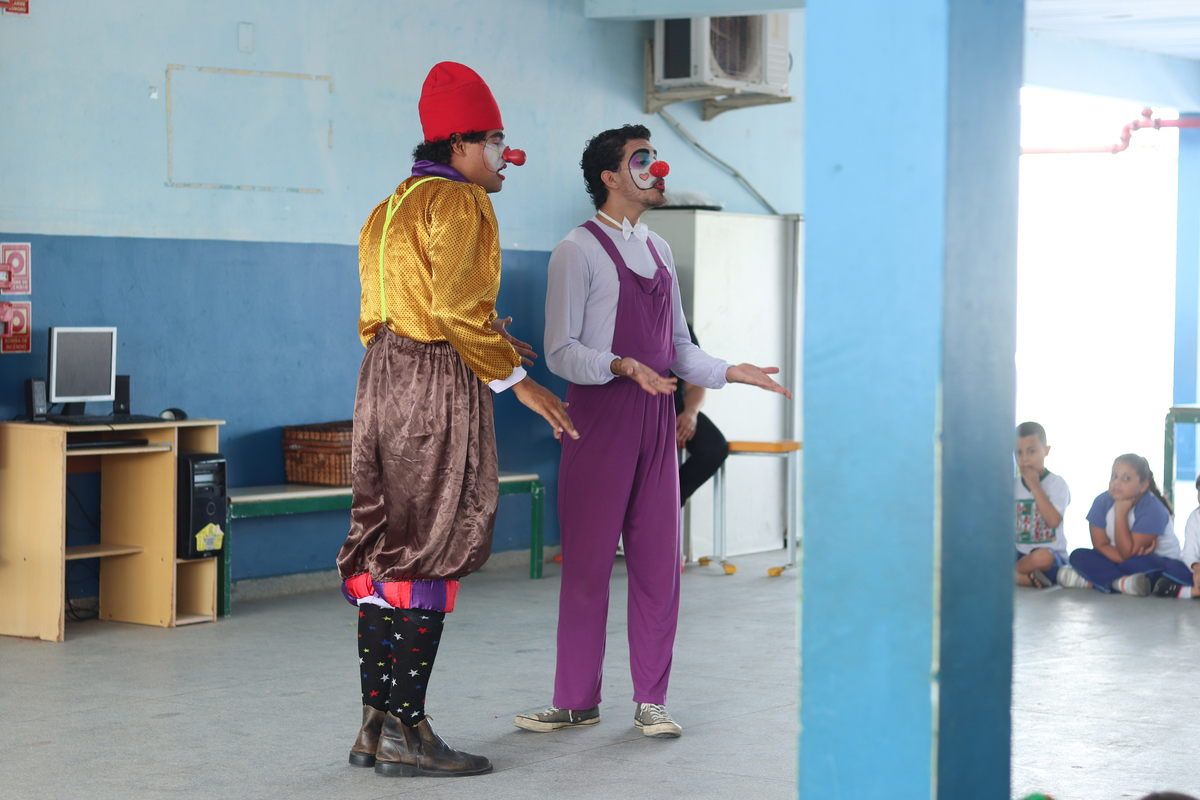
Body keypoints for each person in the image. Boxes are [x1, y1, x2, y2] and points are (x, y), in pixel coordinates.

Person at [335, 61, 576, 778]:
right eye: (496, 142)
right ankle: (411, 730)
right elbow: (452, 311)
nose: (505, 156)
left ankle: (375, 725)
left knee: (385, 544)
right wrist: (517, 380)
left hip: (382, 380)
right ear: (461, 145)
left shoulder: (388, 208)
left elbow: (405, 311)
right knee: (433, 543)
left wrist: (487, 338)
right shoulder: (462, 202)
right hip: (435, 386)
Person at [515, 123, 790, 739]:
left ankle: (652, 700)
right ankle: (575, 699)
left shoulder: (661, 250)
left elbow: (680, 348)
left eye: (656, 159)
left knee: (658, 565)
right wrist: (619, 365)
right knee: (588, 567)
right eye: (642, 161)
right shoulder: (576, 250)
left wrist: (729, 371)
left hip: (656, 421)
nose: (656, 171)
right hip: (598, 421)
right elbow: (560, 352)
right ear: (610, 178)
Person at [1057, 453, 1190, 597]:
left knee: (1144, 564)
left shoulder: (1153, 508)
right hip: (1121, 559)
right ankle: (1120, 583)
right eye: (1114, 476)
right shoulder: (1101, 502)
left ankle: (1092, 581)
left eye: (1126, 479)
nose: (1117, 483)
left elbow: (1127, 553)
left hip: (1154, 561)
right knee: (1078, 555)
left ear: (1143, 486)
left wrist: (1120, 513)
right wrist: (1123, 558)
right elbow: (1100, 545)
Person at [675, 323, 728, 506]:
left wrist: (690, 414)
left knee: (714, 447)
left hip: (674, 406)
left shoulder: (680, 327)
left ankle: (669, 500)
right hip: (639, 408)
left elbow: (696, 383)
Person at [1013, 421, 1070, 588]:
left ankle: (1010, 575)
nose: (1024, 459)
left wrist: (1035, 486)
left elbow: (1053, 521)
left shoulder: (1057, 484)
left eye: (1031, 451)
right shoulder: (1012, 485)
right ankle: (1028, 579)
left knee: (1042, 557)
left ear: (1046, 450)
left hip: (1049, 557)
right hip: (1019, 553)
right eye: (1019, 452)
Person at [1152, 473, 1200, 598]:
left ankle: (1187, 592)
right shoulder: (1195, 518)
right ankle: (1194, 590)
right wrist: (1196, 567)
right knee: (1171, 568)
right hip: (1197, 573)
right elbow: (1189, 553)